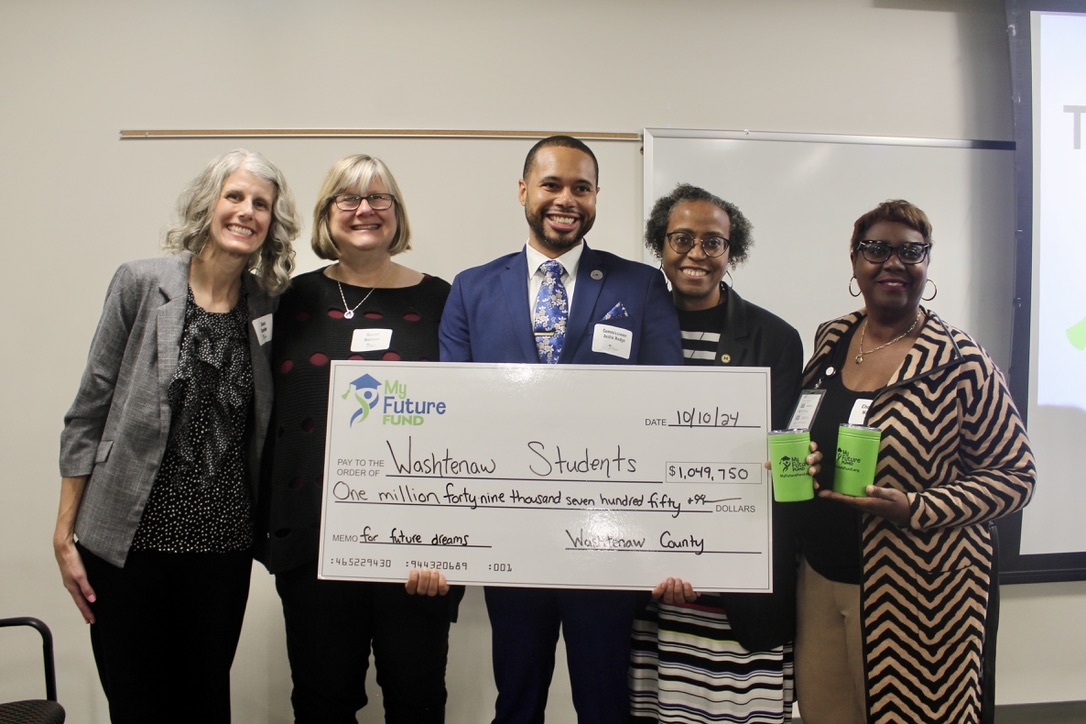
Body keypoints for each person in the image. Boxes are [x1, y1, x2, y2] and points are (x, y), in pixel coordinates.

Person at [438, 135, 683, 723]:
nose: (565, 199)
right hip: (509, 534)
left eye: (581, 187)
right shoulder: (472, 288)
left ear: (596, 196)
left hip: (606, 537)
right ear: (524, 191)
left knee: (604, 703)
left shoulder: (639, 286)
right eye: (552, 184)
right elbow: (454, 409)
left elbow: (669, 404)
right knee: (516, 699)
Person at [54, 149, 299, 723]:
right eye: (234, 196)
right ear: (207, 204)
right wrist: (65, 532)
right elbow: (87, 411)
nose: (246, 211)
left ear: (272, 222)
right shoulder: (141, 283)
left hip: (222, 546)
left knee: (205, 702)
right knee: (138, 703)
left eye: (260, 204)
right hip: (127, 543)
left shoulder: (270, 304)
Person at [793, 199, 1036, 723]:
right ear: (855, 261)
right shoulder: (831, 339)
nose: (893, 263)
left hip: (920, 590)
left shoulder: (960, 360)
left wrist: (916, 507)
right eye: (876, 249)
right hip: (819, 577)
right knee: (825, 713)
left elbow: (1016, 477)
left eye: (911, 251)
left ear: (927, 264)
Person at [257, 154, 459, 723]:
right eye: (348, 198)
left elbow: (467, 429)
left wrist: (445, 545)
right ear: (327, 214)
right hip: (313, 548)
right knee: (322, 703)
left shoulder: (445, 303)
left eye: (379, 198)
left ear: (397, 213)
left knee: (416, 700)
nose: (364, 209)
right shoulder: (287, 301)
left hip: (415, 555)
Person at [629, 184, 804, 723]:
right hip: (650, 576)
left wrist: (791, 468)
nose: (696, 254)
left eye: (713, 242)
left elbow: (787, 456)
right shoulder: (626, 329)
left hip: (738, 583)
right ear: (661, 245)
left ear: (733, 252)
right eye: (681, 239)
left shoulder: (775, 338)